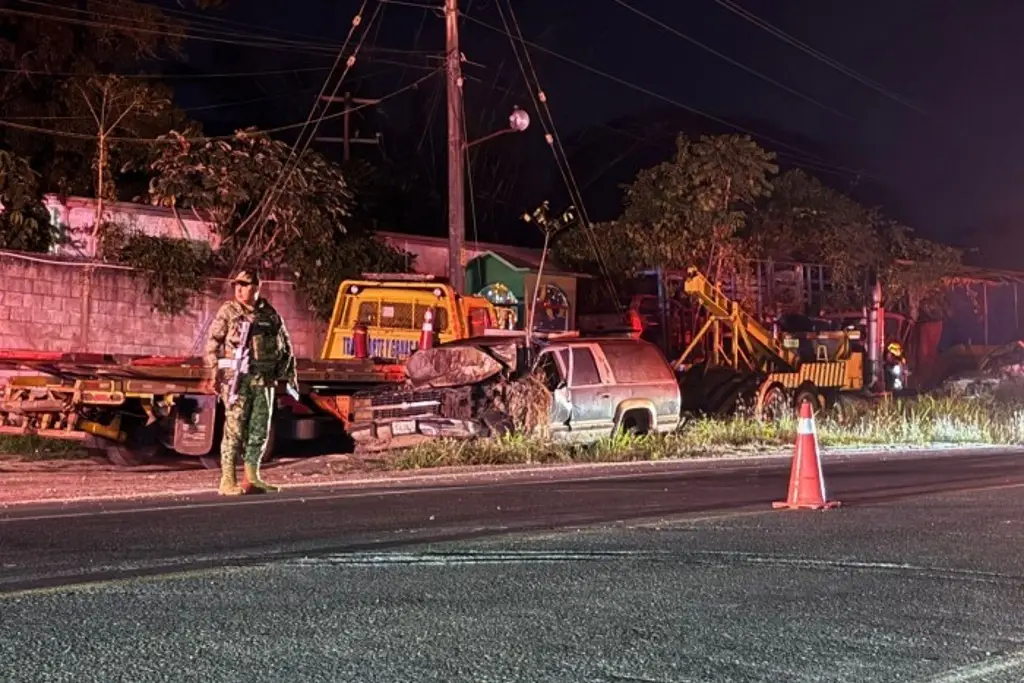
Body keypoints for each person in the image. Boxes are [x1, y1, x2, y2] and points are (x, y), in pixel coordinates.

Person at [200, 267, 299, 496]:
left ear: (256, 287)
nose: (239, 289)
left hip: (264, 382)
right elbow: (212, 343)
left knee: (259, 431)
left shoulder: (270, 314)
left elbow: (285, 345)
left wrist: (288, 375)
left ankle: (252, 478)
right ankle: (227, 480)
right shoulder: (229, 311)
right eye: (237, 285)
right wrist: (214, 373)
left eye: (244, 285)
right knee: (234, 428)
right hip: (238, 380)